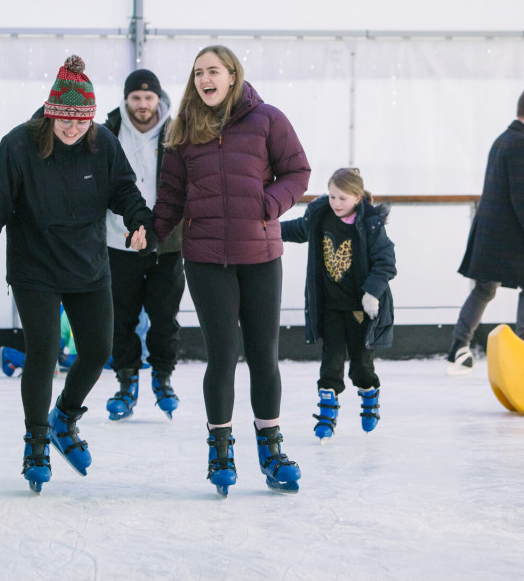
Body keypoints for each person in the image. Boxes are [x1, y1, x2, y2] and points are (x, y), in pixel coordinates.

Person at [0, 55, 155, 493]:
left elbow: (124, 188)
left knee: (97, 350)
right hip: (35, 267)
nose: (71, 129)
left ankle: (64, 417)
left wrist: (140, 220)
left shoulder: (103, 141)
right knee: (44, 354)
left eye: (80, 120)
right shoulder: (19, 145)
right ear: (51, 113)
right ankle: (37, 441)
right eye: (64, 119)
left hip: (87, 264)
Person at [153, 45, 311, 495]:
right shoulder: (182, 129)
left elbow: (297, 171)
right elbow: (170, 195)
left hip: (261, 255)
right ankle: (220, 447)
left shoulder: (267, 119)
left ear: (232, 75)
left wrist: (269, 204)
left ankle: (272, 448)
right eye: (199, 72)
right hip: (205, 258)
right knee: (222, 354)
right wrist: (151, 234)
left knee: (263, 353)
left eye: (214, 71)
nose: (206, 78)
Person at [281, 168, 396, 443]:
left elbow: (386, 262)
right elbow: (299, 229)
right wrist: (267, 228)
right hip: (331, 306)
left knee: (360, 365)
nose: (336, 203)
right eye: (332, 196)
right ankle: (327, 413)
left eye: (342, 198)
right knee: (331, 361)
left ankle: (369, 394)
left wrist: (372, 293)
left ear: (357, 198)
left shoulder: (369, 224)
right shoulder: (321, 215)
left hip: (359, 308)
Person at [446, 86, 524, 375]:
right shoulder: (519, 143)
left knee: (485, 287)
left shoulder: (504, 140)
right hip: (511, 232)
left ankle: (459, 344)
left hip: (495, 232)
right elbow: (520, 196)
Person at [103, 69, 185, 421]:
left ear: (158, 99)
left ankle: (163, 378)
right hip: (117, 242)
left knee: (164, 316)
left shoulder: (176, 132)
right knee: (121, 318)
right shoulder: (107, 132)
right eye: (135, 97)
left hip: (166, 245)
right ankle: (127, 381)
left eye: (148, 98)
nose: (142, 104)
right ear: (126, 100)